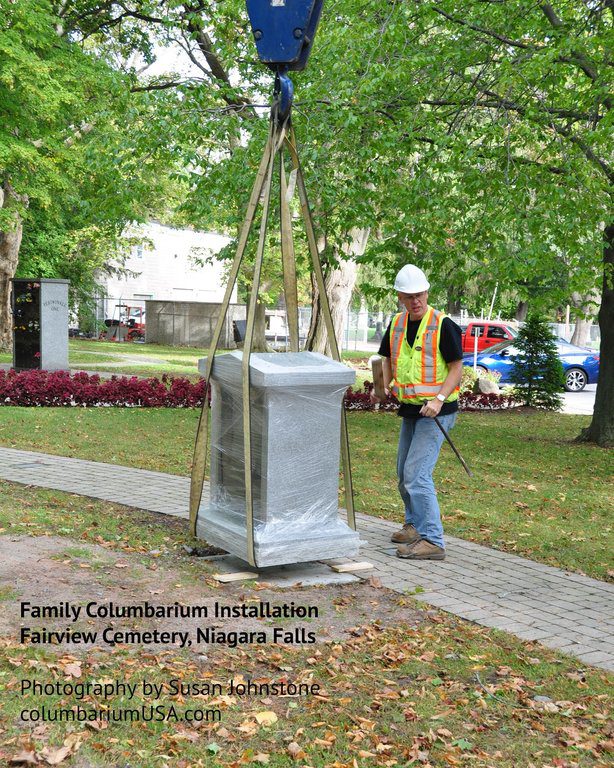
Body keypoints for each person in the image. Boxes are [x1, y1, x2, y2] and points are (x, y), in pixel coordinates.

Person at [370, 265, 463, 561]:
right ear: (399, 296)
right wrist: (385, 385)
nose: (415, 301)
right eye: (409, 296)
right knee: (403, 473)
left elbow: (456, 369)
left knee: (417, 474)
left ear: (427, 292)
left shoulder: (442, 324)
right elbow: (385, 357)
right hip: (411, 409)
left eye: (420, 294)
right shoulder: (397, 323)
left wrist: (438, 398)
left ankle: (433, 540)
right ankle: (413, 525)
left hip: (437, 412)